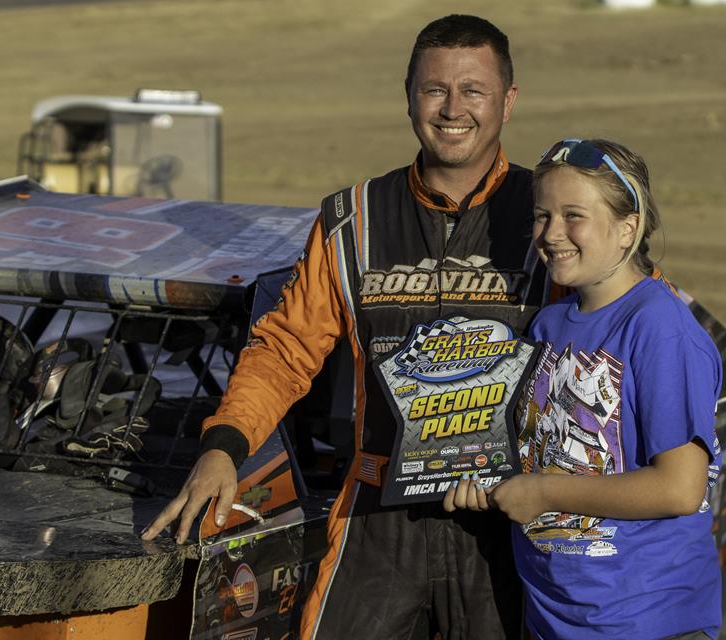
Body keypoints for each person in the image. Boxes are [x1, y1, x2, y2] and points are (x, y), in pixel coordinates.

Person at [143, 14, 551, 640]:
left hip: (506, 510)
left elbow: (626, 316)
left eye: (473, 90)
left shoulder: (549, 210)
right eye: (434, 89)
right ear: (408, 94)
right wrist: (222, 446)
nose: (452, 109)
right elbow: (285, 348)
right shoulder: (352, 217)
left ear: (508, 100)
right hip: (377, 513)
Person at [444, 138, 724, 639]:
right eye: (541, 215)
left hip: (645, 619)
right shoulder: (549, 327)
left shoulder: (659, 326)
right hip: (556, 616)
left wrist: (544, 492)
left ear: (627, 228)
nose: (550, 234)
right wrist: (476, 480)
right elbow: (538, 457)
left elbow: (681, 488)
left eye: (573, 215)